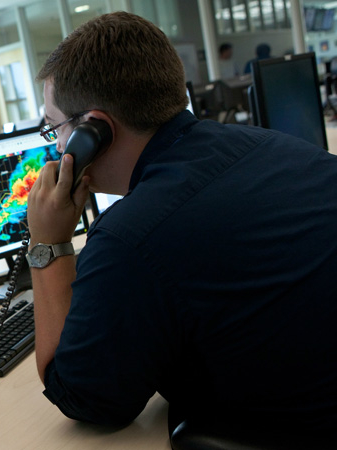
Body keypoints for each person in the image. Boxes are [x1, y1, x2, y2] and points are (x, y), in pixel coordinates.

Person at [27, 11, 337, 437]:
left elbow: (85, 397)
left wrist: (48, 242)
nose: (57, 146)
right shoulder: (273, 145)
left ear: (95, 131)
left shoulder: (129, 238)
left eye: (55, 128)